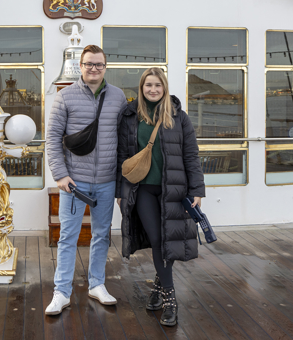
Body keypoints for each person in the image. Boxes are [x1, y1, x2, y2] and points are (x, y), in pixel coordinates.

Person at [116, 67, 205, 326]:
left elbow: (191, 154)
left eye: (157, 85)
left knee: (168, 239)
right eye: (148, 85)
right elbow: (123, 157)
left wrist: (197, 189)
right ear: (141, 88)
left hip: (174, 190)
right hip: (142, 189)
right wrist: (121, 192)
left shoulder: (179, 117)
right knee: (158, 239)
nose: (153, 89)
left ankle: (158, 289)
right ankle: (170, 300)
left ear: (164, 88)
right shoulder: (130, 116)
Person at [46, 45, 127, 315]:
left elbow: (124, 140)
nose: (94, 68)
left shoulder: (118, 97)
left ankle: (97, 284)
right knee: (68, 237)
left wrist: (120, 181)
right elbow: (53, 139)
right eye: (89, 64)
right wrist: (60, 175)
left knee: (102, 235)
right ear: (80, 66)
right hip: (74, 183)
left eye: (99, 64)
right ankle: (61, 292)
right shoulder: (65, 96)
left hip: (106, 181)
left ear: (105, 67)